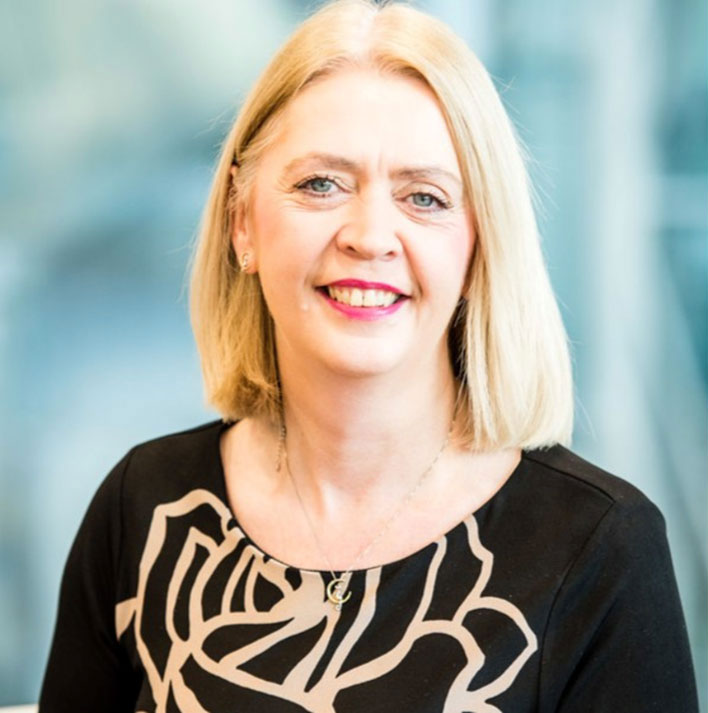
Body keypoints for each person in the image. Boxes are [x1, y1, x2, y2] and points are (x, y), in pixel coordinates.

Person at [38, 1, 698, 711]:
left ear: (479, 248)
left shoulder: (601, 545)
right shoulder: (143, 506)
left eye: (425, 197)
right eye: (321, 183)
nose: (370, 234)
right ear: (242, 224)